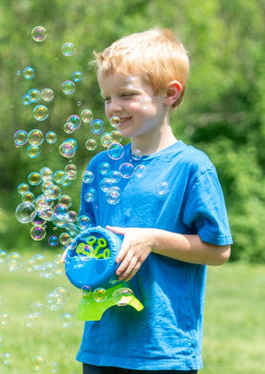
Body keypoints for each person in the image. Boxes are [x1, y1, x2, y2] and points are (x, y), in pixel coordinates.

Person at [75, 28, 233, 374]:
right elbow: (88, 240)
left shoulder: (191, 167)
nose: (114, 107)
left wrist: (152, 238)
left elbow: (218, 251)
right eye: (106, 98)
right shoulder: (102, 167)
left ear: (170, 94)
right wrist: (80, 255)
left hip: (162, 348)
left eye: (127, 94)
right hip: (103, 344)